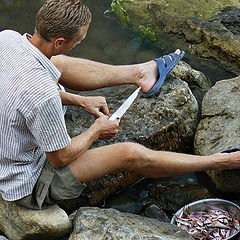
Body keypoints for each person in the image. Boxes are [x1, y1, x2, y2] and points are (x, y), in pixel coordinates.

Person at [0, 0, 240, 210]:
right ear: (60, 40)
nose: (80, 44)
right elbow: (60, 158)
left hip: (11, 136)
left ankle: (140, 73)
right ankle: (221, 161)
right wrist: (96, 130)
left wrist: (77, 99)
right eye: (79, 41)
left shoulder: (7, 38)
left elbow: (19, 88)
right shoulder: (43, 95)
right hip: (27, 181)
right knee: (129, 153)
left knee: (57, 62)